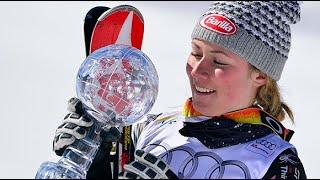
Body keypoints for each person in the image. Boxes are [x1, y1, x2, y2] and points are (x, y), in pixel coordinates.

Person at [53, 1, 307, 179]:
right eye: (196, 53)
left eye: (219, 62)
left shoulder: (276, 162)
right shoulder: (152, 128)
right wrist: (91, 158)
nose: (197, 70)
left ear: (260, 74)